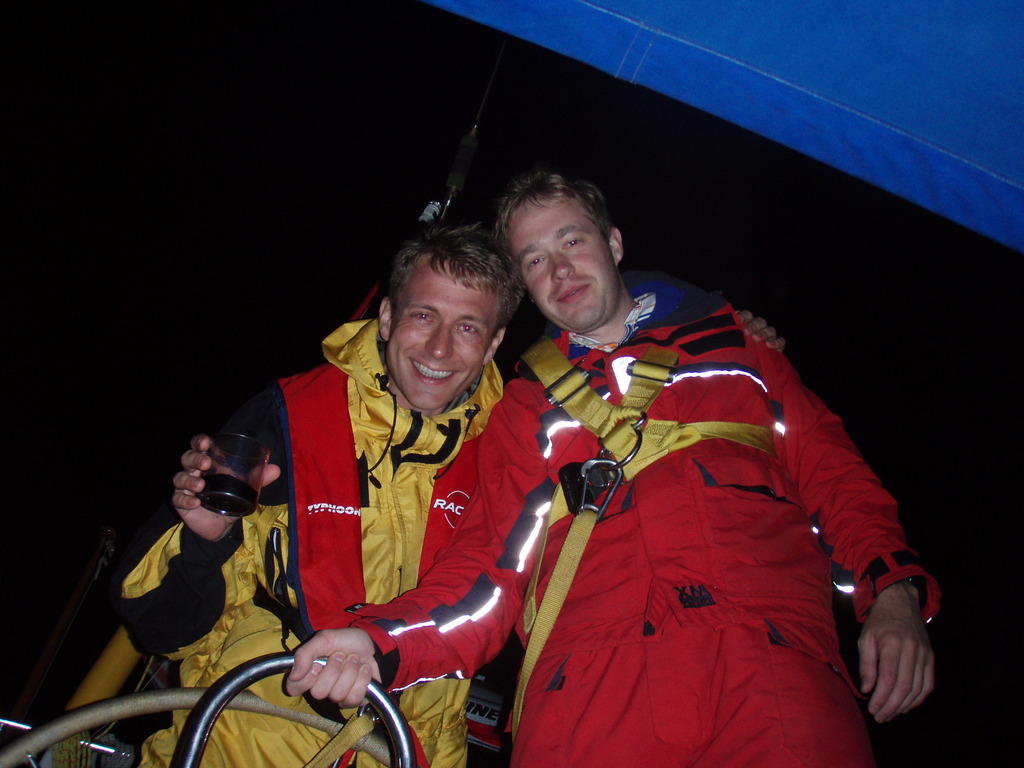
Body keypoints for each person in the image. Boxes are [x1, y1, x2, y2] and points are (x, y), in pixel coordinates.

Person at [288, 169, 939, 767]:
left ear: (614, 242)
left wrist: (893, 593)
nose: (560, 269)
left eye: (571, 241)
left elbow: (836, 477)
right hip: (588, 694)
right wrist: (380, 642)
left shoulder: (738, 349)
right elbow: (487, 572)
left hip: (772, 675)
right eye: (534, 260)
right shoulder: (524, 409)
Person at [113, 224, 521, 768]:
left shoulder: (512, 451)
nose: (439, 348)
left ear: (493, 344)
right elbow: (162, 629)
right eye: (423, 315)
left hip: (414, 746)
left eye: (467, 327)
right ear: (386, 317)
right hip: (250, 737)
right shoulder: (287, 419)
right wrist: (205, 541)